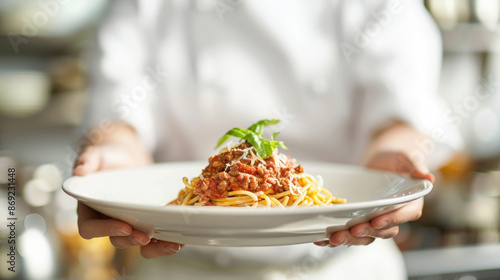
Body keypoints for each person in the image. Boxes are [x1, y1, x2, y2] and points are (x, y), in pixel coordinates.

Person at [73, 0, 460, 279]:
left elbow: (401, 117)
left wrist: (395, 164)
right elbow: (117, 117)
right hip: (183, 267)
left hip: (343, 268)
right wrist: (112, 159)